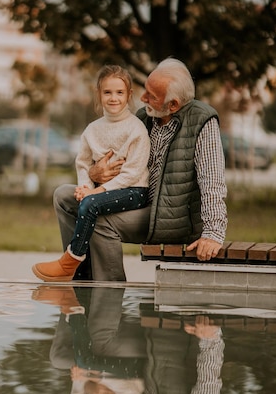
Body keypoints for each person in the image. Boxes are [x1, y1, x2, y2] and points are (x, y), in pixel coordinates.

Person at [53, 57, 228, 281]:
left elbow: (212, 181)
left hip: (173, 216)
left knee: (100, 219)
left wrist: (213, 234)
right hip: (136, 197)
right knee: (63, 196)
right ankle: (81, 275)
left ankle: (110, 298)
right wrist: (95, 174)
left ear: (173, 104)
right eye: (145, 90)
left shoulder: (202, 122)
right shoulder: (145, 117)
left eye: (151, 96)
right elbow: (119, 168)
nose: (142, 98)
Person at [32, 64, 150, 282]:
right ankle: (81, 275)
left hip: (134, 191)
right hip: (103, 191)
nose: (113, 98)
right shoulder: (92, 130)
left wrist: (97, 191)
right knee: (79, 198)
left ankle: (70, 261)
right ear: (99, 94)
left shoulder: (136, 129)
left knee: (91, 204)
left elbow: (132, 174)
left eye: (119, 92)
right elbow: (83, 162)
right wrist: (86, 186)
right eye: (107, 92)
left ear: (129, 95)